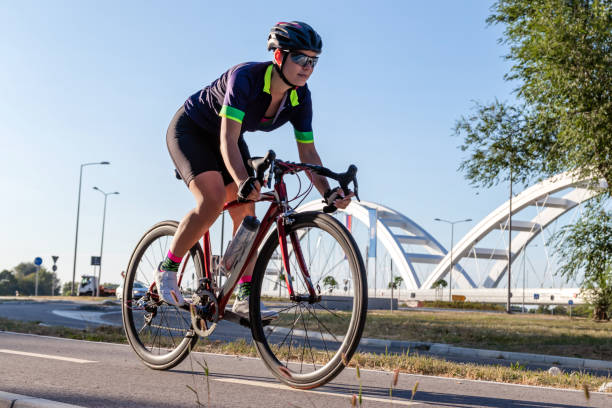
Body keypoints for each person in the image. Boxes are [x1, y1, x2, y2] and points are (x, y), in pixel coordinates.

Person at [157, 21, 353, 319]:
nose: (308, 67)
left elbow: (309, 153)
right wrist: (242, 179)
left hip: (231, 139)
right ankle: (168, 267)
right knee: (211, 201)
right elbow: (226, 139)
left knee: (247, 211)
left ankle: (245, 293)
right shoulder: (245, 78)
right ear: (279, 57)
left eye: (314, 61)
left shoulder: (300, 96)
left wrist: (329, 192)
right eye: (300, 58)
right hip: (193, 130)